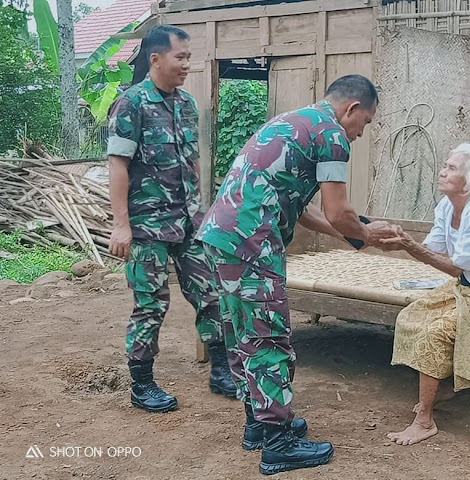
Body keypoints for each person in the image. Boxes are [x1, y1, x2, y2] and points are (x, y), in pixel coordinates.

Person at [197, 74, 398, 474]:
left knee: (242, 333)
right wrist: (368, 233)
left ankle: (259, 424)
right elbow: (340, 210)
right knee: (269, 336)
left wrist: (351, 236)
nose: (361, 134)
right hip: (252, 240)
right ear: (352, 109)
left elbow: (304, 209)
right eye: (367, 123)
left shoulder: (292, 123)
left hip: (223, 235)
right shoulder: (333, 135)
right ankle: (279, 444)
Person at [107, 25, 236, 413]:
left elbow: (193, 161)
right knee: (151, 303)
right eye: (180, 57)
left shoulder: (186, 104)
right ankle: (141, 383)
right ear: (156, 59)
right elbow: (118, 165)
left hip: (189, 222)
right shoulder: (131, 104)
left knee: (211, 294)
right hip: (147, 226)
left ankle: (221, 371)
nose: (186, 64)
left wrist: (203, 208)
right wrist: (121, 223)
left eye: (188, 57)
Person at [379, 143, 470, 446]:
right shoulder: (447, 206)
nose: (443, 172)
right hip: (467, 285)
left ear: (469, 181)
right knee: (411, 316)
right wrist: (397, 240)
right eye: (445, 166)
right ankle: (444, 385)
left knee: (436, 332)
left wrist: (409, 245)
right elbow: (433, 249)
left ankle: (424, 421)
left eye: (452, 168)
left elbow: (457, 268)